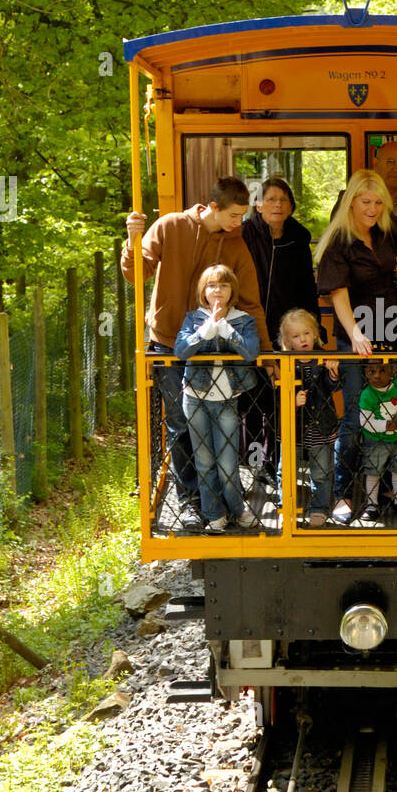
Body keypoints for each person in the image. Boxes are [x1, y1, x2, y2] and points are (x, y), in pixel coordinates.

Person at [123, 176, 270, 528]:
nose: (240, 223)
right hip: (169, 343)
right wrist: (132, 238)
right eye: (235, 215)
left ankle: (221, 502)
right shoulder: (171, 226)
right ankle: (192, 501)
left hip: (214, 350)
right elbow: (135, 274)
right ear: (214, 207)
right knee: (181, 426)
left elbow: (252, 302)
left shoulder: (236, 244)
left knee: (219, 428)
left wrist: (266, 353)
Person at [315, 169, 397, 523]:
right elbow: (339, 295)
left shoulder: (388, 231)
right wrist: (354, 335)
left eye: (379, 202)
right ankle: (342, 495)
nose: (372, 208)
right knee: (355, 419)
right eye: (366, 201)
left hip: (394, 335)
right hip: (358, 340)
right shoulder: (338, 243)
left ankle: (388, 492)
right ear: (351, 201)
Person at [240, 176, 320, 486]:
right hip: (253, 328)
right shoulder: (245, 233)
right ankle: (259, 464)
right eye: (270, 199)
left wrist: (312, 326)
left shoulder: (299, 236)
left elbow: (306, 285)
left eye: (283, 199)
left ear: (291, 206)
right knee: (255, 400)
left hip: (290, 331)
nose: (277, 204)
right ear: (257, 204)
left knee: (287, 398)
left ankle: (286, 461)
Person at [174, 265, 260, 532]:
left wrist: (226, 330)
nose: (218, 291)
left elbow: (250, 353)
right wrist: (206, 331)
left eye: (223, 285)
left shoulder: (242, 319)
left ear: (232, 289)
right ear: (204, 291)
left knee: (226, 463)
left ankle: (237, 510)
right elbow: (181, 350)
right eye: (212, 285)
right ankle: (214, 515)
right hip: (195, 398)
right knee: (204, 462)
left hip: (227, 399)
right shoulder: (193, 318)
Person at [279, 308, 341, 528]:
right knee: (286, 471)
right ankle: (286, 507)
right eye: (296, 336)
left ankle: (319, 508)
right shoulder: (283, 362)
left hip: (320, 426)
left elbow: (331, 387)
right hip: (293, 426)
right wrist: (291, 401)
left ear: (315, 334)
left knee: (322, 472)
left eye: (306, 333)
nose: (302, 339)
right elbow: (274, 396)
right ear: (287, 341)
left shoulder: (323, 357)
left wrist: (333, 374)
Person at [358, 360, 397, 524]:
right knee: (373, 472)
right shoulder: (367, 394)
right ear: (365, 372)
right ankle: (372, 505)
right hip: (376, 440)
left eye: (382, 371)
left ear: (391, 371)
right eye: (372, 371)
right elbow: (365, 420)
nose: (377, 375)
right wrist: (387, 425)